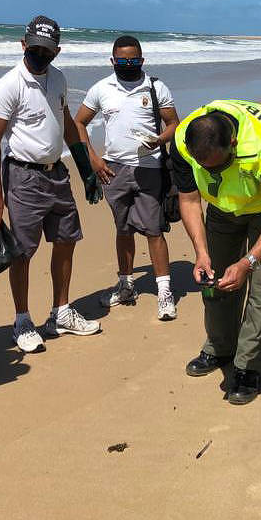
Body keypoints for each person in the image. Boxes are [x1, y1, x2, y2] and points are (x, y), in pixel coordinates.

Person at [171, 99, 261, 405]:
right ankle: (220, 347)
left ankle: (249, 367)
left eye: (219, 165)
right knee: (213, 279)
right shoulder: (182, 141)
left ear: (233, 143)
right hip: (223, 208)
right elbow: (190, 201)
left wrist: (248, 261)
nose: (212, 173)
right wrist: (201, 252)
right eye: (205, 168)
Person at [0, 15, 103, 352]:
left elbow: (66, 125)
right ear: (23, 45)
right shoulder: (9, 84)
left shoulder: (59, 79)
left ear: (57, 51)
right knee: (22, 251)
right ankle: (22, 319)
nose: (40, 55)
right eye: (35, 49)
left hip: (57, 174)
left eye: (47, 51)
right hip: (23, 176)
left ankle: (60, 312)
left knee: (67, 240)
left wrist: (85, 171)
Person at [73, 35, 180, 320]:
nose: (128, 65)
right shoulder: (101, 88)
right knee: (122, 228)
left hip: (149, 168)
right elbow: (79, 123)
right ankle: (125, 284)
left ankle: (165, 291)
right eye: (122, 62)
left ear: (141, 60)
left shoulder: (156, 87)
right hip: (113, 169)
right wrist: (94, 160)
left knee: (154, 229)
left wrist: (159, 141)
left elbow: (174, 123)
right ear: (113, 61)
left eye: (133, 61)